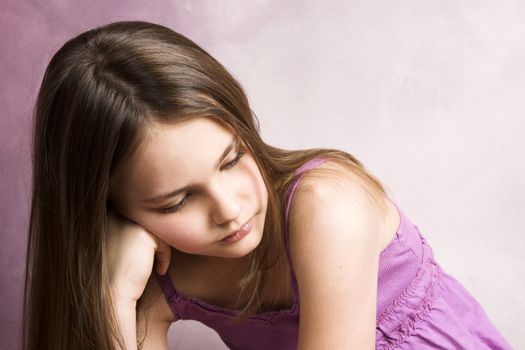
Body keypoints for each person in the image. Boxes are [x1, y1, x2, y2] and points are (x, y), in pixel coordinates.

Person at [23, 20, 512, 350]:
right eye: (177, 201)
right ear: (114, 210)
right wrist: (112, 293)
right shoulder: (151, 275)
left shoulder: (327, 206)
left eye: (232, 159)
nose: (230, 209)